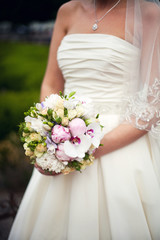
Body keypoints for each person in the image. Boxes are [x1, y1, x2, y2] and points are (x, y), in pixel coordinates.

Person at [9, 0, 160, 239]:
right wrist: (51, 132)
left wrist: (85, 149)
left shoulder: (148, 13)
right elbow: (51, 82)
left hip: (121, 143)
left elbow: (153, 103)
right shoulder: (67, 11)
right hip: (62, 141)